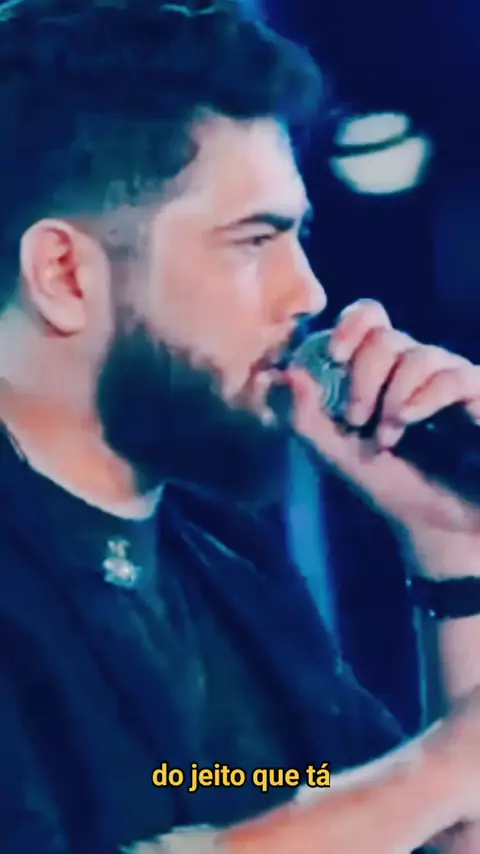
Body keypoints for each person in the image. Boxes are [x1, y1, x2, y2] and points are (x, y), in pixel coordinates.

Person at [1, 1, 480, 852]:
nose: (309, 293)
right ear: (65, 275)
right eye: (254, 241)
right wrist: (438, 771)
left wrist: (451, 552)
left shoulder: (231, 563)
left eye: (299, 237)